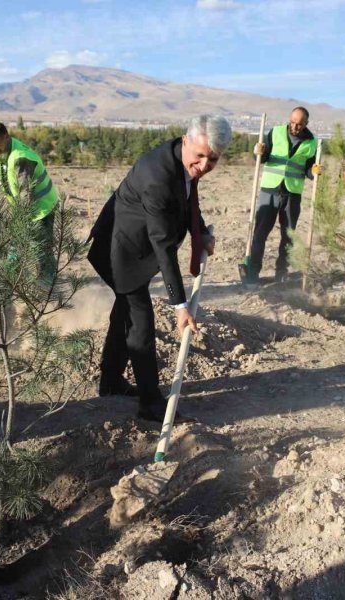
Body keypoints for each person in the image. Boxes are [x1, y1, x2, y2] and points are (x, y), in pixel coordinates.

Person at [88, 115, 232, 422]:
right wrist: (180, 305)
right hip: (119, 248)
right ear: (185, 140)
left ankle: (110, 381)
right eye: (200, 156)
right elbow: (163, 245)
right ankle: (151, 404)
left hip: (133, 244)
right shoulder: (157, 176)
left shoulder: (182, 161)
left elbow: (187, 200)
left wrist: (200, 231)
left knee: (125, 312)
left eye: (213, 159)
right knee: (140, 320)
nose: (205, 165)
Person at [240, 107, 320, 289]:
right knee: (260, 233)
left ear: (306, 124)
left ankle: (281, 275)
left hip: (292, 194)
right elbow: (264, 157)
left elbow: (308, 169)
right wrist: (258, 152)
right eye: (292, 122)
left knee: (288, 236)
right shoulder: (275, 133)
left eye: (299, 124)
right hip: (270, 190)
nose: (295, 126)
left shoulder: (312, 143)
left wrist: (314, 172)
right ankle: (252, 273)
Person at [0, 121, 59, 281]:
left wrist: (19, 223)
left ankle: (49, 286)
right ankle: (14, 282)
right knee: (16, 249)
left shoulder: (20, 158)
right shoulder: (1, 151)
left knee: (41, 250)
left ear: (6, 136)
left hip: (41, 208)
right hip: (23, 208)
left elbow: (26, 194)